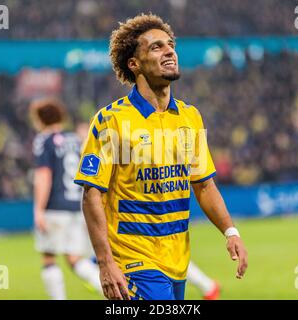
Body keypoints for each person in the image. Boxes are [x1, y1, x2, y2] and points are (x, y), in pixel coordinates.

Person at [74, 14, 248, 300]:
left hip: (177, 259)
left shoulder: (190, 117)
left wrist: (230, 231)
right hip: (133, 258)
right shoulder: (111, 120)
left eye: (170, 45)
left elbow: (204, 185)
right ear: (134, 63)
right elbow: (92, 194)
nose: (169, 51)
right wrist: (105, 263)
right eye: (156, 47)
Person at [30, 97, 102, 300]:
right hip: (77, 206)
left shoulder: (43, 140)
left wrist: (39, 210)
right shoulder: (75, 139)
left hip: (54, 208)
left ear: (41, 119)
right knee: (74, 259)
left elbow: (44, 176)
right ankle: (115, 295)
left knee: (49, 258)